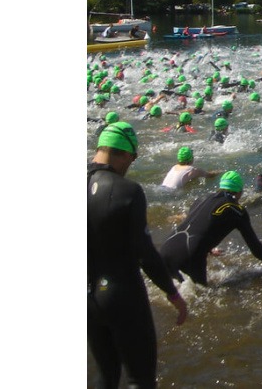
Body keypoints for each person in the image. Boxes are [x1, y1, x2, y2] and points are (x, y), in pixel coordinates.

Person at [88, 122, 189, 389]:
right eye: (133, 158)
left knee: (104, 376)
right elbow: (145, 254)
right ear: (125, 153)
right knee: (140, 380)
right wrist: (173, 293)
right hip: (122, 294)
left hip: (87, 296)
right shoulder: (127, 190)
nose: (130, 165)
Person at [158, 171, 262, 286]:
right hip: (191, 253)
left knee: (177, 292)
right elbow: (252, 242)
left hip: (166, 250)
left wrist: (209, 250)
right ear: (239, 191)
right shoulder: (236, 209)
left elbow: (196, 227)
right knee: (201, 297)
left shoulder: (202, 198)